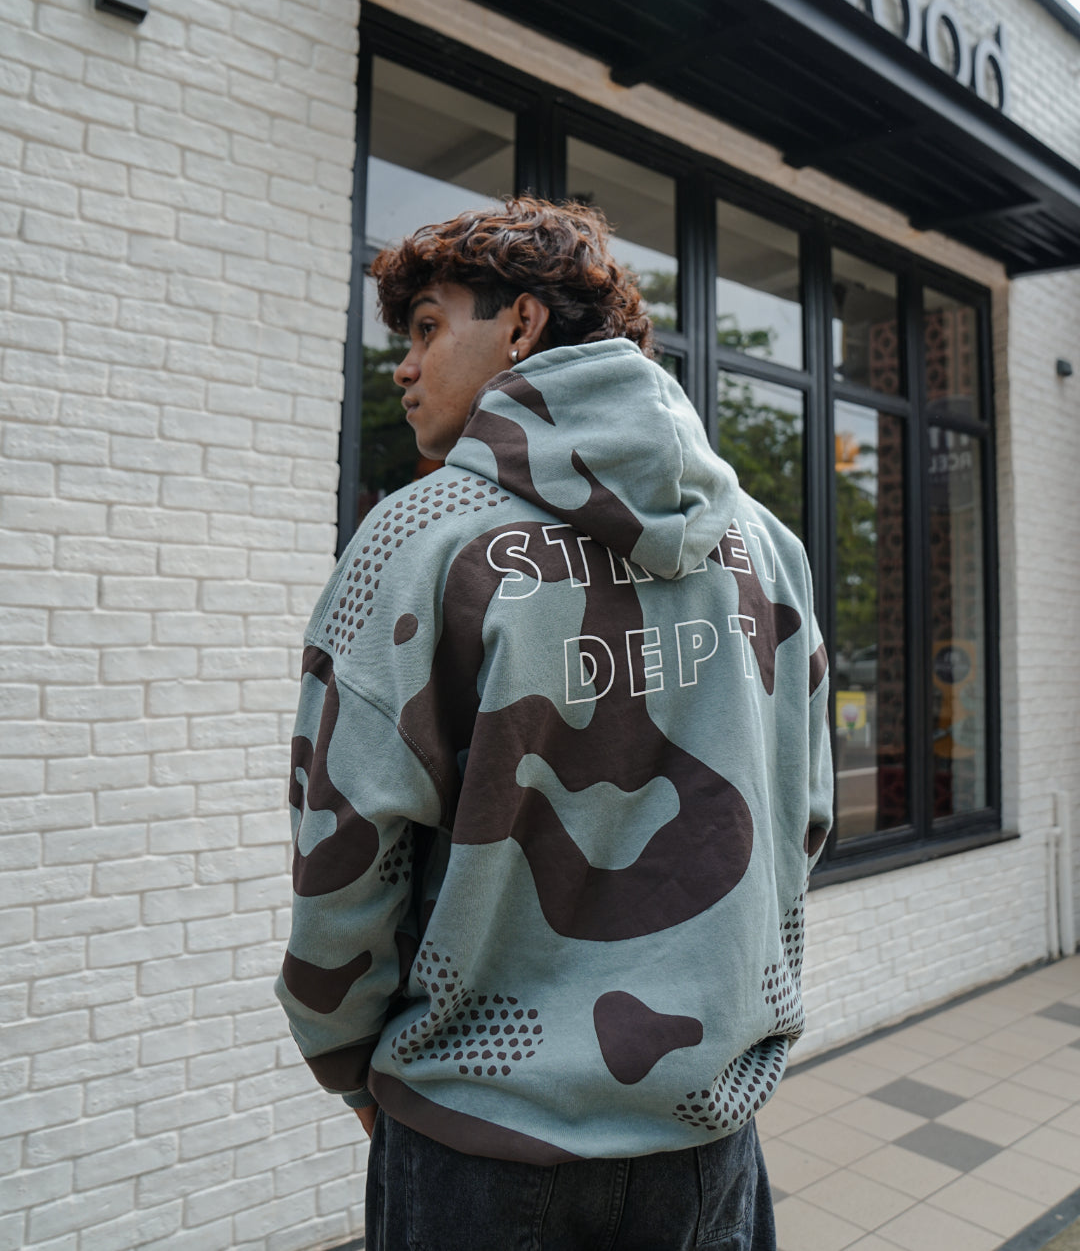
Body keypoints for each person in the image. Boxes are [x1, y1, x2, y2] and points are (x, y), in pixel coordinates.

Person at [275, 196, 833, 1250]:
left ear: (522, 326)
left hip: (479, 1138)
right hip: (707, 1135)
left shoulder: (419, 538)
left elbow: (343, 852)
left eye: (429, 326)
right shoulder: (766, 545)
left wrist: (350, 1062)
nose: (403, 367)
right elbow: (801, 818)